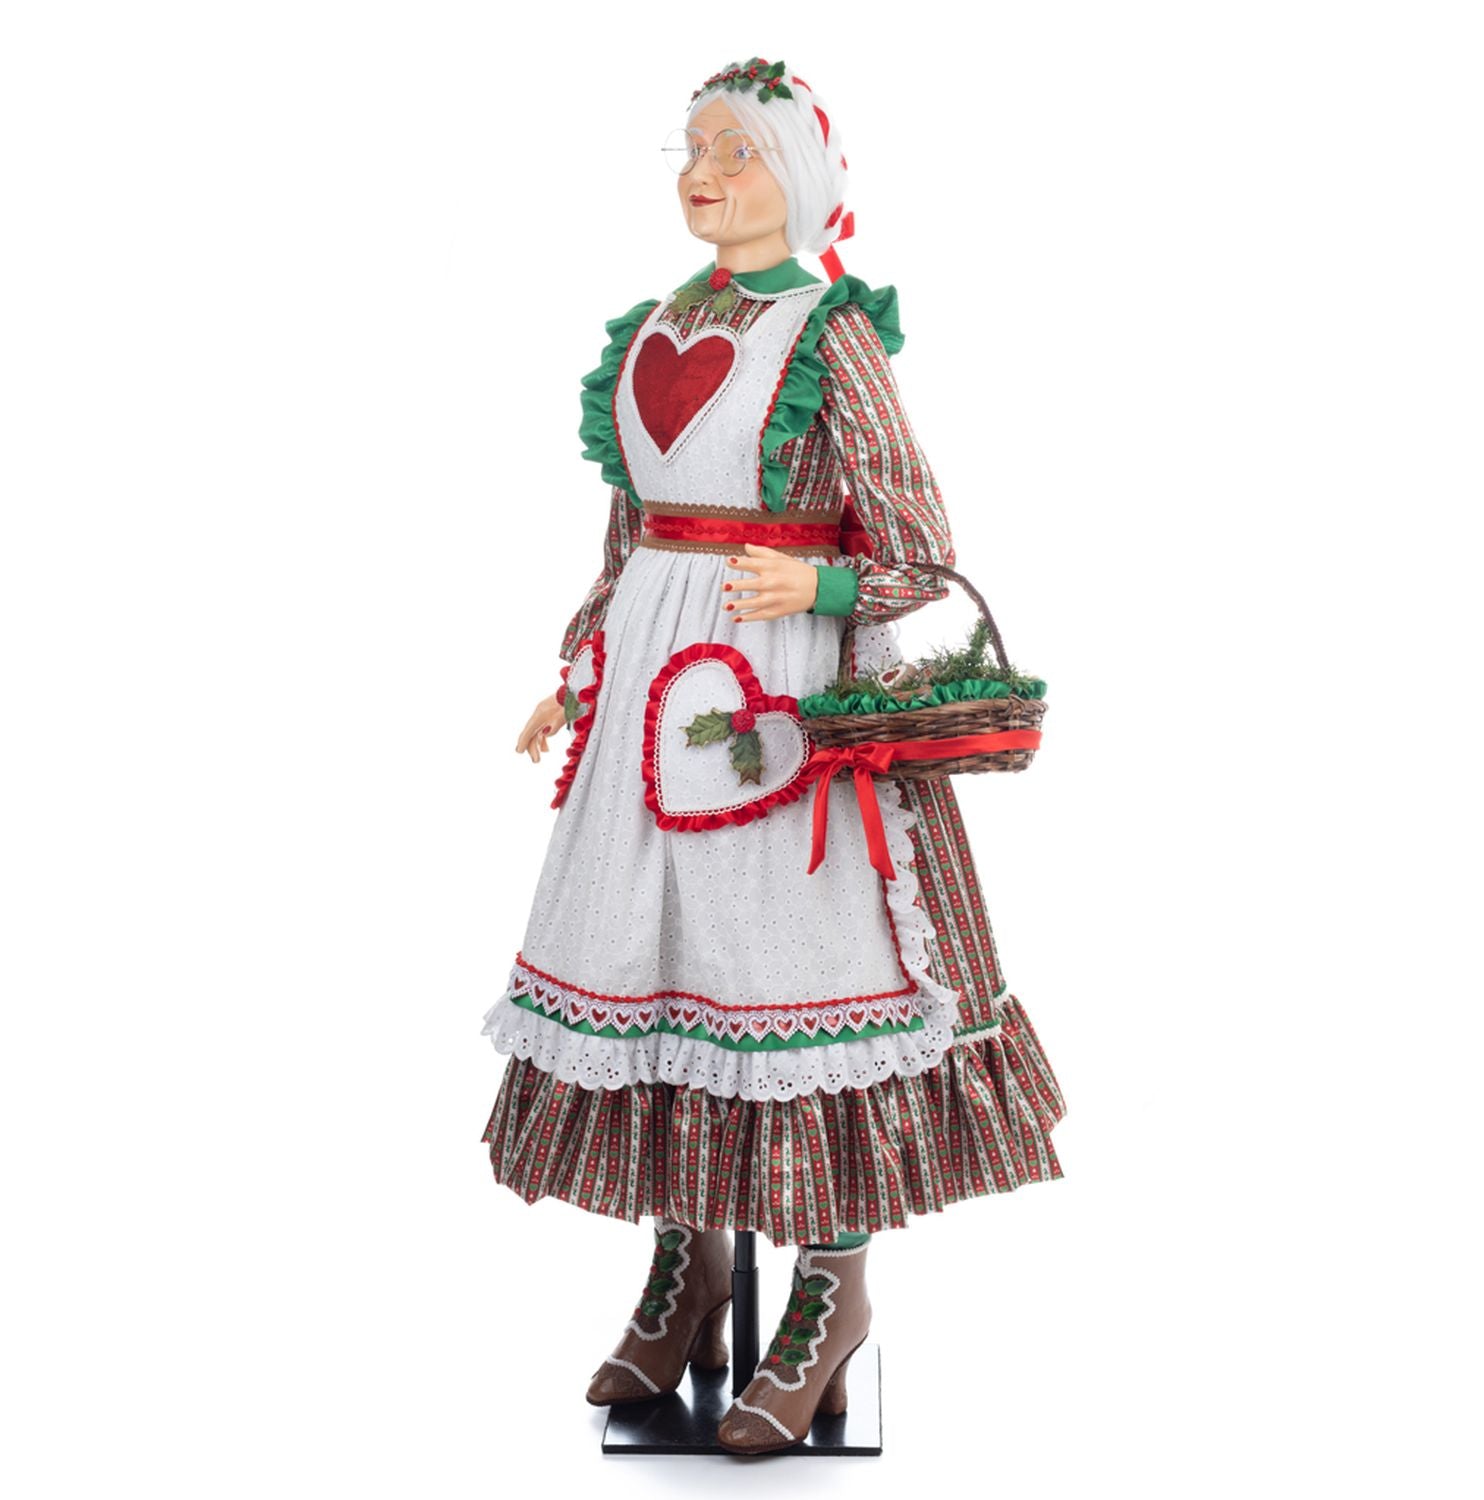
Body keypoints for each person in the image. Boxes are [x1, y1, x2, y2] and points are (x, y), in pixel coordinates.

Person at [479, 56, 1067, 1455]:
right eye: (689, 148)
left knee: (795, 964)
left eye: (733, 150)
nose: (701, 173)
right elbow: (628, 537)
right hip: (652, 700)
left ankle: (829, 1291)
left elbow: (919, 546)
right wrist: (580, 669)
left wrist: (818, 588)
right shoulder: (655, 327)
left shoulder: (828, 332)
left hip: (781, 696)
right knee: (660, 956)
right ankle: (689, 1269)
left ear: (792, 174)